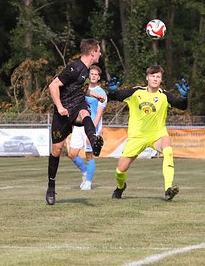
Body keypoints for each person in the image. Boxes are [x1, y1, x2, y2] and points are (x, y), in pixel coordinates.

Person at [106, 65, 188, 200]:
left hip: (157, 135)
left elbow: (181, 105)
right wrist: (112, 92)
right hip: (136, 137)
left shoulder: (164, 95)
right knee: (120, 169)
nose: (155, 79)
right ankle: (120, 187)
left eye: (158, 76)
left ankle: (168, 189)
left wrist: (184, 98)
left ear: (161, 79)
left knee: (168, 148)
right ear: (147, 77)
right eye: (153, 76)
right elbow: (117, 96)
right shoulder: (136, 92)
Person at [46, 38, 106, 205]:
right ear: (92, 53)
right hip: (63, 112)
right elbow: (53, 85)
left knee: (85, 112)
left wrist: (94, 95)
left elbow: (81, 89)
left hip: (77, 107)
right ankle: (51, 187)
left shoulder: (87, 71)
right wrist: (59, 107)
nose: (100, 54)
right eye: (99, 51)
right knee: (56, 150)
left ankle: (94, 141)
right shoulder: (74, 67)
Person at [67, 65, 106, 191]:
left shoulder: (101, 93)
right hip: (79, 125)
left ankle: (88, 182)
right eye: (92, 74)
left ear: (99, 77)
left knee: (89, 155)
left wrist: (92, 132)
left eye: (96, 74)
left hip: (92, 126)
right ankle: (84, 172)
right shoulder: (82, 89)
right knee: (72, 154)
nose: (93, 76)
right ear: (88, 76)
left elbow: (99, 114)